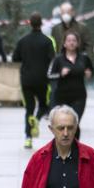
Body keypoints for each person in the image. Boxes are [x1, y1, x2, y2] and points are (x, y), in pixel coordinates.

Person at [12, 13, 56, 149]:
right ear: (41, 24)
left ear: (29, 23)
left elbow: (15, 58)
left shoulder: (23, 41)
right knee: (43, 105)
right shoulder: (47, 41)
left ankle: (28, 138)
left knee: (29, 108)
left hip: (26, 79)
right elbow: (53, 60)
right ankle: (36, 120)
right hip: (42, 79)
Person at [48, 30, 94, 123]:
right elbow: (50, 75)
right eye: (69, 40)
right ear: (64, 43)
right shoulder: (58, 59)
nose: (71, 43)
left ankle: (75, 137)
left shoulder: (84, 58)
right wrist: (60, 74)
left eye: (74, 40)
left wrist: (89, 73)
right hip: (62, 97)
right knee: (64, 124)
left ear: (77, 43)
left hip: (79, 96)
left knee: (75, 123)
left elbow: (91, 71)